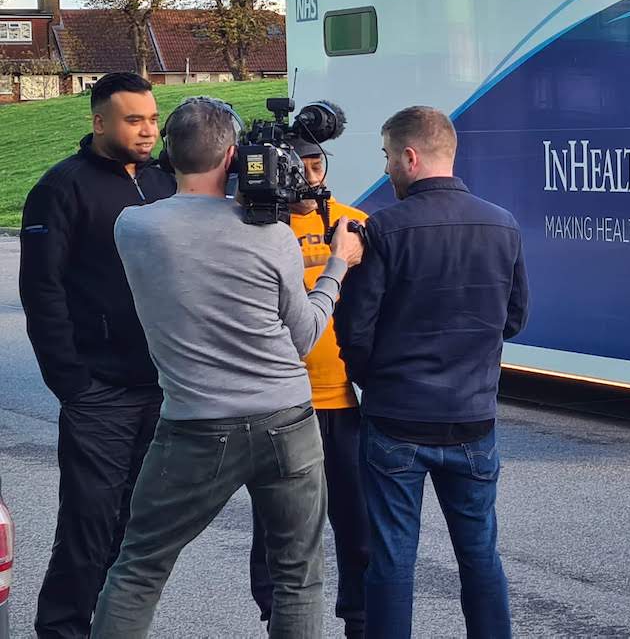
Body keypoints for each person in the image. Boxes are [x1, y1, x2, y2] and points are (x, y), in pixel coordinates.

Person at [90, 97, 365, 639]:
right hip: (286, 420)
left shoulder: (134, 228)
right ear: (235, 157)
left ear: (169, 155)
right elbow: (306, 333)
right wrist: (337, 266)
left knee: (140, 567)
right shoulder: (273, 236)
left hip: (193, 425)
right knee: (298, 579)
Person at [335, 106, 529, 639]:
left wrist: (376, 378)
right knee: (480, 555)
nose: (388, 168)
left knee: (392, 558)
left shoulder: (383, 231)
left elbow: (354, 329)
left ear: (410, 156)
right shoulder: (502, 225)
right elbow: (513, 318)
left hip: (396, 419)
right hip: (472, 419)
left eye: (388, 157)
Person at [19, 72, 176, 639]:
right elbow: (42, 291)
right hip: (99, 393)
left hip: (162, 389)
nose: (147, 130)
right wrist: (73, 382)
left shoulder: (165, 180)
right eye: (134, 120)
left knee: (138, 532)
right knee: (88, 528)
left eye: (153, 119)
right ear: (99, 121)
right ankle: (62, 630)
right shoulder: (62, 188)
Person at [248, 139, 371, 637]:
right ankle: (279, 619)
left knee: (358, 526)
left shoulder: (353, 221)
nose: (308, 178)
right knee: (279, 530)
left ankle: (359, 619)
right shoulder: (256, 228)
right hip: (283, 403)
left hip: (344, 400)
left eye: (316, 166)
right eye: (296, 168)